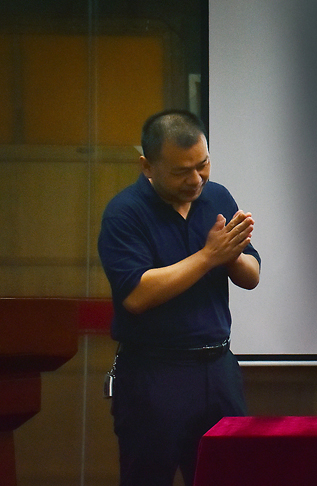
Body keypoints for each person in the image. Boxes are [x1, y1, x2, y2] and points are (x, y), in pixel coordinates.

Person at [98, 109, 261, 486]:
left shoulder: (217, 196)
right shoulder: (124, 213)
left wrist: (232, 255)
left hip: (218, 369)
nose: (196, 179)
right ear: (147, 166)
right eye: (181, 171)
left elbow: (251, 276)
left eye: (202, 165)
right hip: (154, 374)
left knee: (230, 474)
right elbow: (137, 294)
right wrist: (209, 256)